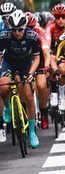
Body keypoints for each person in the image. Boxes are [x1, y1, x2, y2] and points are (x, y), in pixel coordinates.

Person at [0, 10, 41, 147]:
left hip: (25, 64)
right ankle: (7, 107)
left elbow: (36, 58)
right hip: (9, 63)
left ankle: (31, 131)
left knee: (29, 96)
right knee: (3, 86)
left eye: (20, 29)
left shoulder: (32, 36)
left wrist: (30, 74)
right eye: (14, 30)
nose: (17, 33)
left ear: (25, 27)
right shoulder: (4, 36)